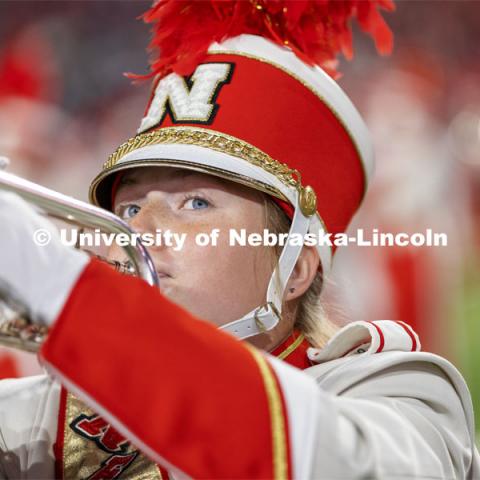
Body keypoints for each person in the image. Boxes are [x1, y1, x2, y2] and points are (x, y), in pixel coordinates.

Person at [0, 1, 479, 478]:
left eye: (196, 204)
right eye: (129, 207)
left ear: (293, 270)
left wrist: (70, 296)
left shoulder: (405, 403)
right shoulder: (41, 417)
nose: (137, 231)